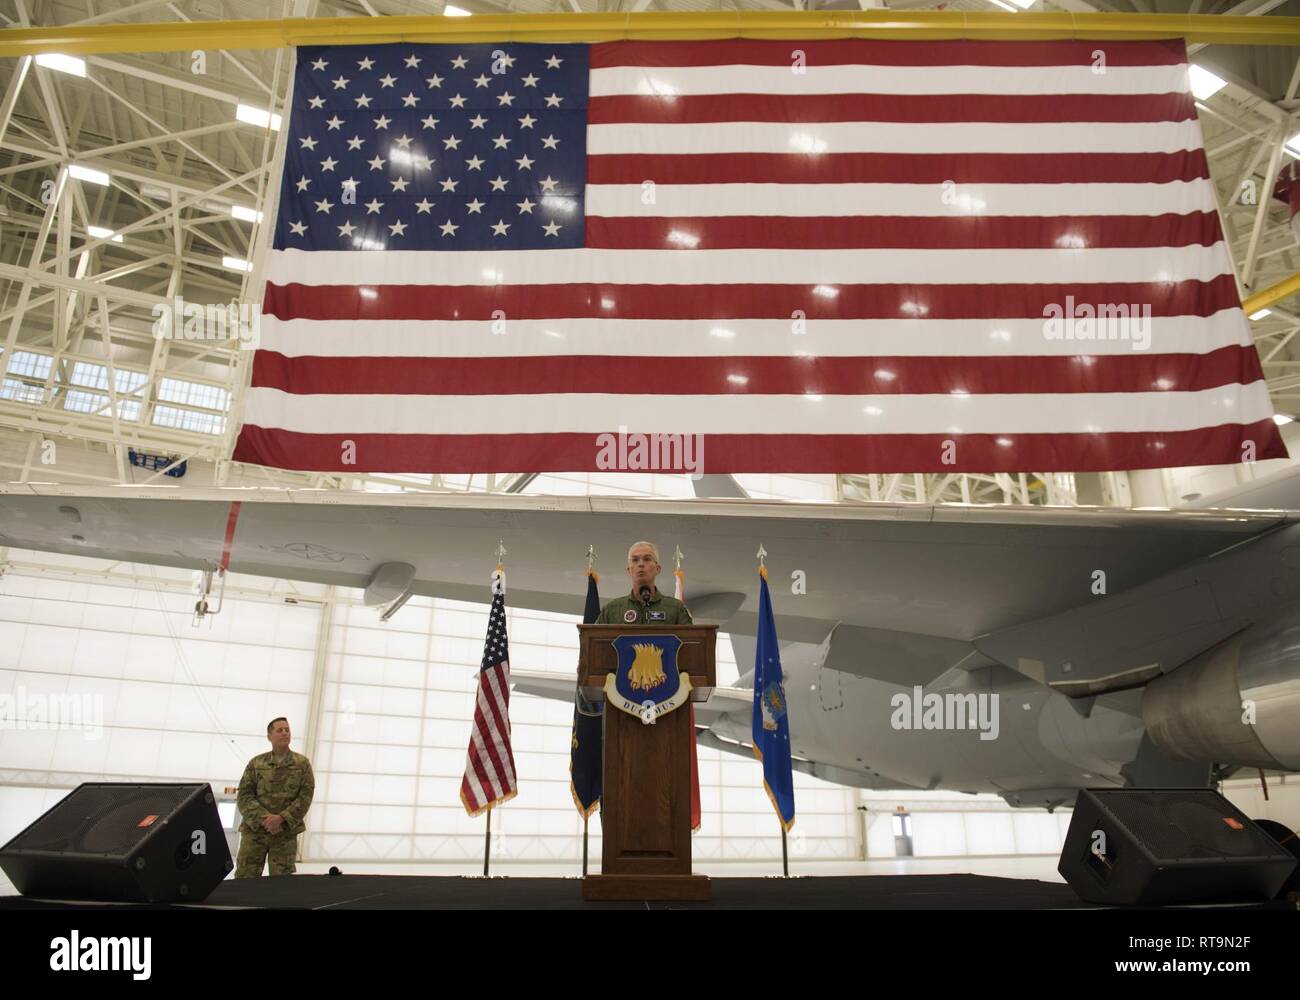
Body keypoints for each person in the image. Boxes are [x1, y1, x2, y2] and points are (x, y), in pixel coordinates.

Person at [234, 717, 314, 877]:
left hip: (284, 833)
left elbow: (305, 797)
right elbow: (244, 795)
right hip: (255, 832)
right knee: (245, 879)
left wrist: (281, 818)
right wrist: (266, 819)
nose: (285, 733)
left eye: (287, 729)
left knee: (281, 885)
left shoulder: (302, 764)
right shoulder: (256, 764)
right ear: (269, 736)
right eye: (280, 730)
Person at [595, 541, 694, 625]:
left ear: (658, 569)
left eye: (647, 559)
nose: (641, 564)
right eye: (635, 560)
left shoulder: (675, 608)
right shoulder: (611, 610)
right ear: (629, 570)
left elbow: (692, 643)